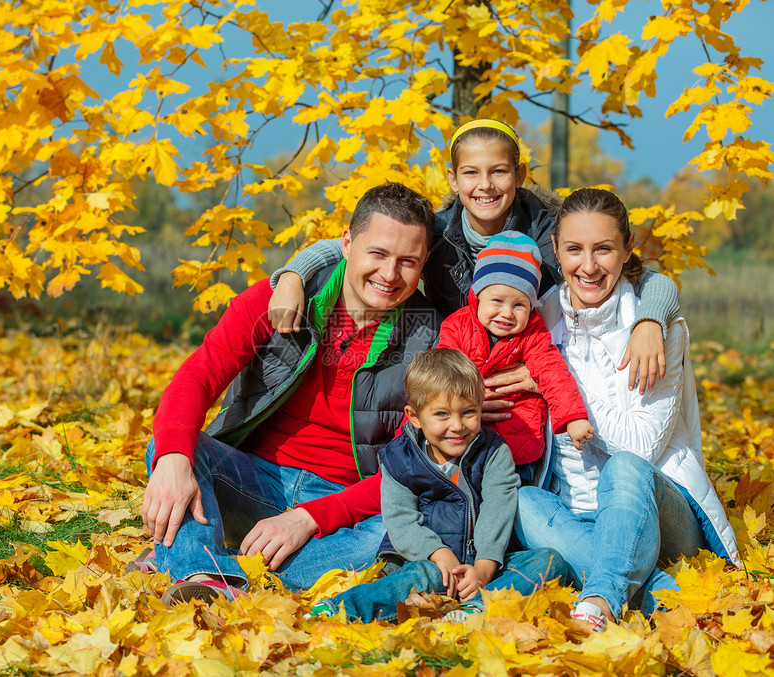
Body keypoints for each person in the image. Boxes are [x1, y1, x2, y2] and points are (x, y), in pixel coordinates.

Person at [140, 182, 443, 604]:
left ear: (424, 262)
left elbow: (409, 464)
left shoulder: (434, 340)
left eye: (407, 261)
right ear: (346, 243)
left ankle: (208, 558)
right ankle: (204, 574)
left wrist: (307, 519)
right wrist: (175, 459)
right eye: (377, 254)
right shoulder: (280, 297)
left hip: (343, 506)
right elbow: (198, 376)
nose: (389, 274)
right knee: (173, 446)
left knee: (404, 531)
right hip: (252, 478)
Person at [268, 119, 681, 422]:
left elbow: (644, 274)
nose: (485, 185)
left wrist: (649, 319)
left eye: (499, 171)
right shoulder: (441, 232)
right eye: (471, 173)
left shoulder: (550, 230)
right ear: (453, 179)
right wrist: (292, 275)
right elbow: (359, 247)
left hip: (541, 367)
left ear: (519, 175)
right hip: (465, 372)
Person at [513, 188, 740, 632]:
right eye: (575, 249)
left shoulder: (656, 327)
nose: (589, 266)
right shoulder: (535, 318)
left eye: (604, 249)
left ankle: (601, 597)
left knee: (625, 469)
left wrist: (556, 380)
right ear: (555, 249)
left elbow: (640, 447)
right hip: (572, 510)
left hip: (658, 507)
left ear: (627, 248)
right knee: (519, 500)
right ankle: (653, 589)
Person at [307, 348, 565, 622]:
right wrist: (438, 554)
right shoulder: (400, 458)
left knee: (549, 561)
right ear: (414, 416)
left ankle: (474, 609)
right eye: (442, 414)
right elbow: (401, 520)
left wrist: (484, 569)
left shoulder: (492, 452)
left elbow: (498, 507)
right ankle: (341, 609)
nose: (457, 426)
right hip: (424, 561)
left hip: (481, 565)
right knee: (423, 576)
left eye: (468, 412)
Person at [437, 231, 593, 478]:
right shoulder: (457, 327)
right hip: (466, 441)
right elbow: (441, 375)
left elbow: (554, 374)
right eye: (497, 301)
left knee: (512, 500)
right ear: (478, 296)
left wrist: (573, 418)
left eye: (519, 305)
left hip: (517, 445)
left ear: (531, 307)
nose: (507, 313)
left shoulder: (533, 334)